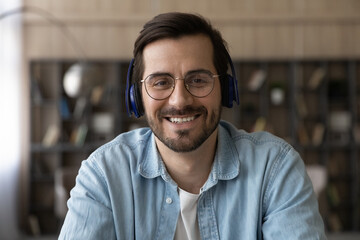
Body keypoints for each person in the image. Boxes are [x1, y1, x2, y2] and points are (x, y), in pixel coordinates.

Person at [59, 12, 327, 239]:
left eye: (198, 80)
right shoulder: (103, 174)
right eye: (161, 82)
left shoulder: (276, 168)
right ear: (136, 97)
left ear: (226, 88)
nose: (180, 100)